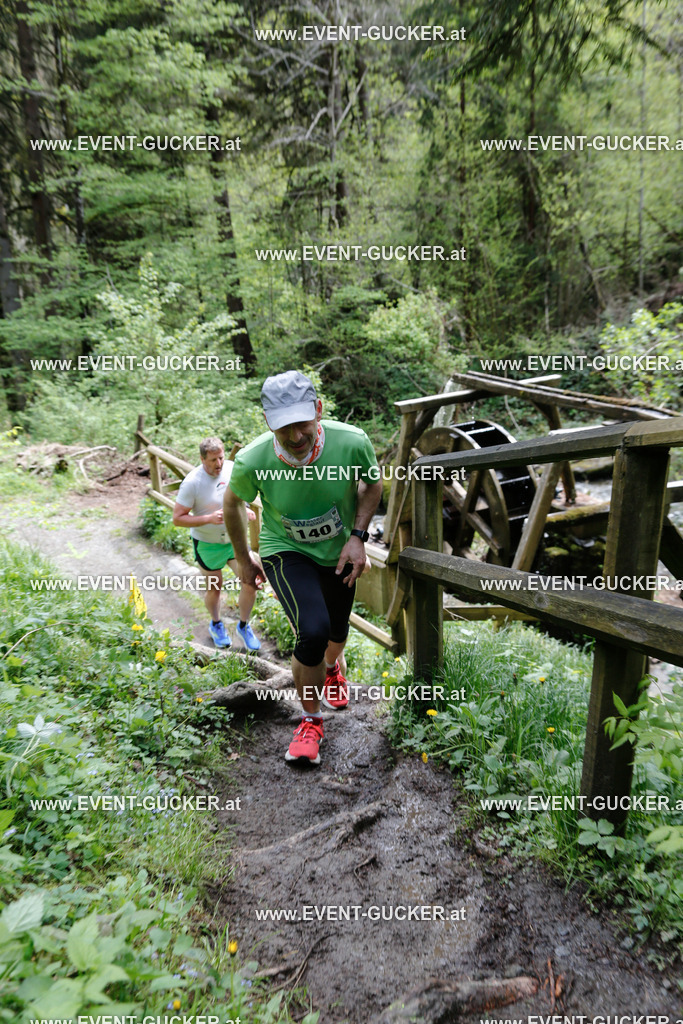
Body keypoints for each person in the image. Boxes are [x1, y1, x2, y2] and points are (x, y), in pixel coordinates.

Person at [224, 371, 382, 765]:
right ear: (267, 423)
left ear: (318, 410)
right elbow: (231, 504)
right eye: (283, 428)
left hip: (339, 552)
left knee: (337, 631)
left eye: (302, 424)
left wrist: (358, 535)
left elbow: (372, 484)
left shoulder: (351, 441)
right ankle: (310, 721)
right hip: (285, 549)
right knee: (312, 631)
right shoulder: (253, 459)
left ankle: (333, 668)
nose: (295, 436)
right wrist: (244, 558)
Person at [173, 437, 261, 651]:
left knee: (250, 582)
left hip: (235, 541)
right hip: (208, 544)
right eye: (213, 460)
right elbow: (177, 518)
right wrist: (209, 518)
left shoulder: (232, 469)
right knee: (215, 588)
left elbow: (240, 497)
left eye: (221, 457)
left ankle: (243, 625)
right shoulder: (192, 482)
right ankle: (216, 624)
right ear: (202, 459)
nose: (218, 464)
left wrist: (245, 509)